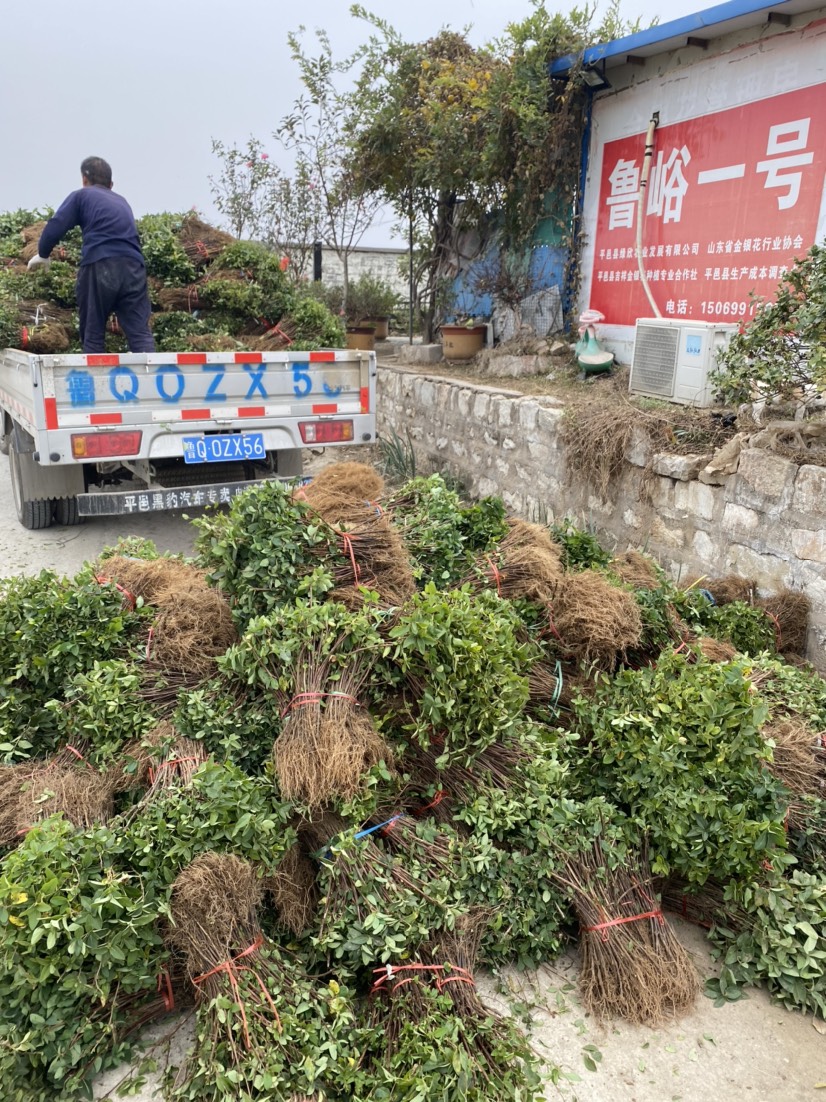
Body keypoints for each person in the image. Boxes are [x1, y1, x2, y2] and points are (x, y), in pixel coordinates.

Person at [28, 157, 155, 354]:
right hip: (134, 267)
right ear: (111, 184)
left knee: (93, 332)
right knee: (140, 333)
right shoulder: (123, 202)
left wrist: (43, 253)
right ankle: (151, 379)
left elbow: (56, 225)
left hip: (101, 264)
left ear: (84, 180)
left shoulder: (81, 196)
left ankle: (97, 382)